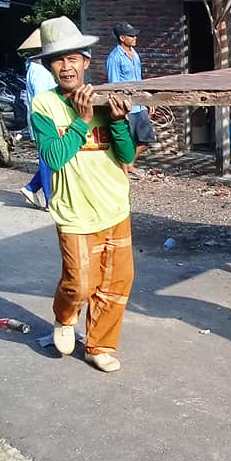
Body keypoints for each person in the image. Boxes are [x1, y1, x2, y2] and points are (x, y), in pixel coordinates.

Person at [30, 16, 136, 372]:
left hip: (115, 205)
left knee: (116, 283)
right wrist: (80, 119)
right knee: (79, 283)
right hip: (74, 212)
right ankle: (65, 316)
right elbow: (54, 158)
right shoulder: (44, 106)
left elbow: (127, 156)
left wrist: (119, 122)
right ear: (50, 66)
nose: (66, 66)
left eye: (73, 58)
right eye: (58, 60)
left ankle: (98, 346)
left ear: (86, 62)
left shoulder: (104, 99)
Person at [105, 21, 156, 179]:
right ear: (122, 38)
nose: (135, 38)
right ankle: (125, 169)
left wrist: (148, 101)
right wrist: (121, 109)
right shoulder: (115, 58)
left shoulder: (135, 54)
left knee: (146, 139)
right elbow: (114, 85)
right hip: (127, 106)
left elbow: (139, 80)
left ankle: (128, 165)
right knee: (127, 140)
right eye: (131, 36)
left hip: (139, 104)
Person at [17, 28, 57, 210]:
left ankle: (31, 188)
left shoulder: (37, 68)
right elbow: (43, 100)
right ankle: (49, 199)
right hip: (44, 120)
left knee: (50, 158)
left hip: (44, 120)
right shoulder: (39, 71)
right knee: (47, 159)